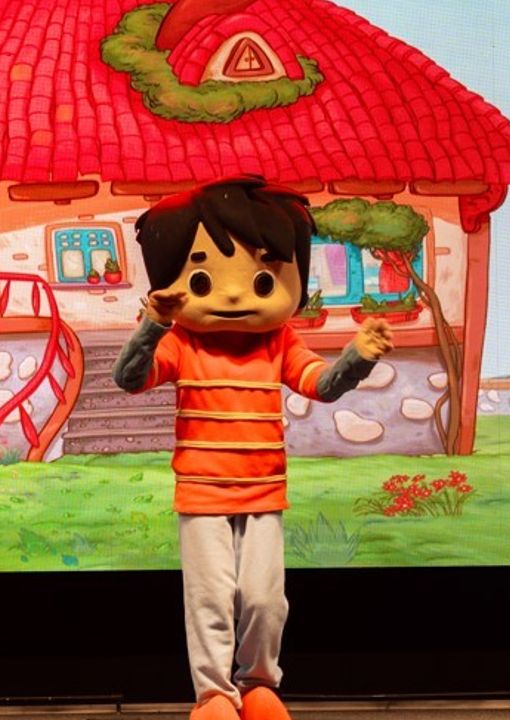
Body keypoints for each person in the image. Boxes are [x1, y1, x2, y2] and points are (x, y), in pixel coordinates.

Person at [112, 175, 394, 720]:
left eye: (264, 281)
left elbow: (320, 384)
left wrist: (357, 356)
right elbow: (129, 378)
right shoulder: (182, 341)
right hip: (203, 494)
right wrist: (154, 322)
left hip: (262, 491)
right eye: (202, 278)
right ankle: (215, 695)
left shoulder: (279, 340)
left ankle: (259, 683)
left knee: (265, 599)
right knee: (210, 599)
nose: (237, 294)